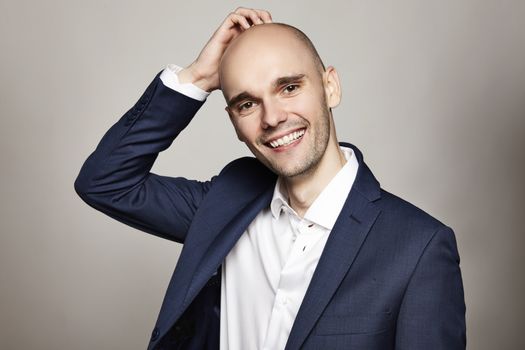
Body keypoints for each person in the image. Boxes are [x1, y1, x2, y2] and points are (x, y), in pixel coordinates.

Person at [74, 7, 466, 350]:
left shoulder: (418, 247)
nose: (273, 117)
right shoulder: (224, 204)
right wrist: (196, 79)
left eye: (290, 87)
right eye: (247, 103)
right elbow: (105, 181)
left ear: (330, 86)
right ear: (234, 122)